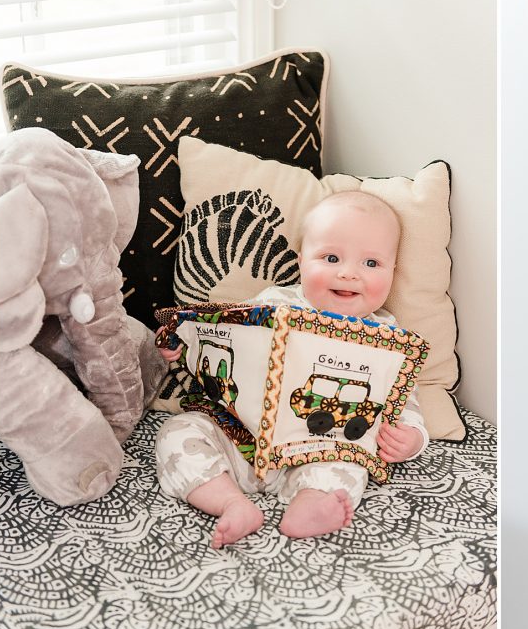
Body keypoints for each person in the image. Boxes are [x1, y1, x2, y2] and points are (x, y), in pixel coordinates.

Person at [154, 192, 428, 548]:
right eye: (331, 258)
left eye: (371, 264)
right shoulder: (271, 304)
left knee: (350, 465)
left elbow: (405, 402)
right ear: (301, 262)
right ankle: (231, 504)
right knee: (178, 432)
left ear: (394, 272)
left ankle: (310, 505)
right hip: (239, 437)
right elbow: (224, 339)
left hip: (319, 447)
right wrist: (182, 344)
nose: (349, 273)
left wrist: (412, 440)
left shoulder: (388, 340)